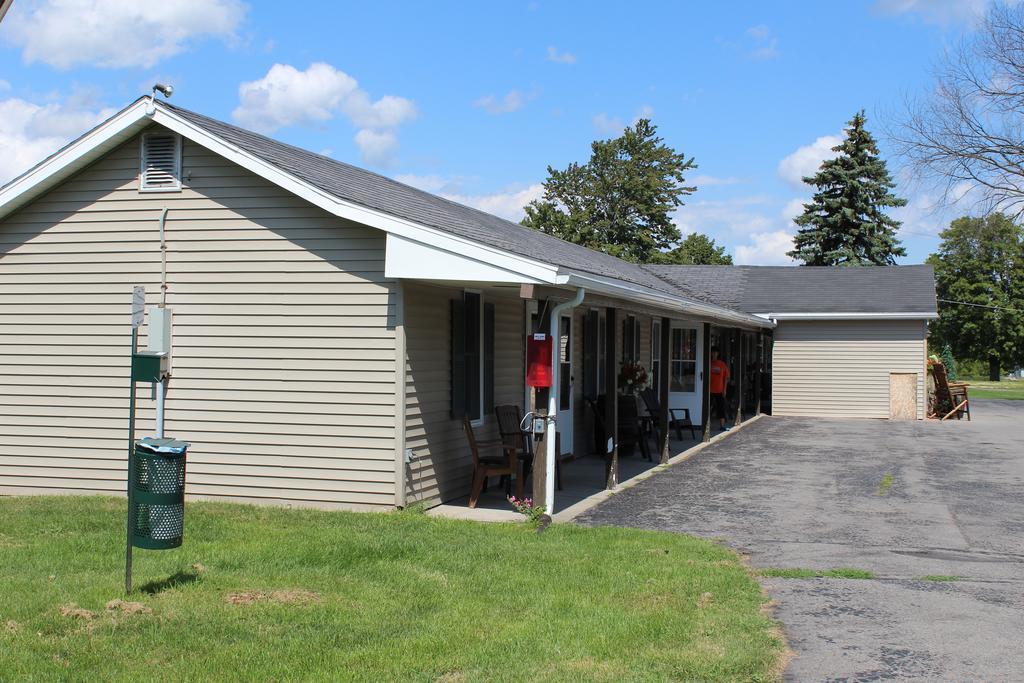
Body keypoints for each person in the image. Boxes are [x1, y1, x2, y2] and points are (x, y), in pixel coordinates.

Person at [709, 346, 730, 431]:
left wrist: (724, 389)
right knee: (708, 408)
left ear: (718, 354)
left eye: (715, 352)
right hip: (709, 390)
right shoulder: (708, 363)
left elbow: (726, 378)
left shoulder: (722, 364)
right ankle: (708, 424)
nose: (714, 354)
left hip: (719, 389)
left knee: (721, 408)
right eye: (712, 352)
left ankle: (722, 426)